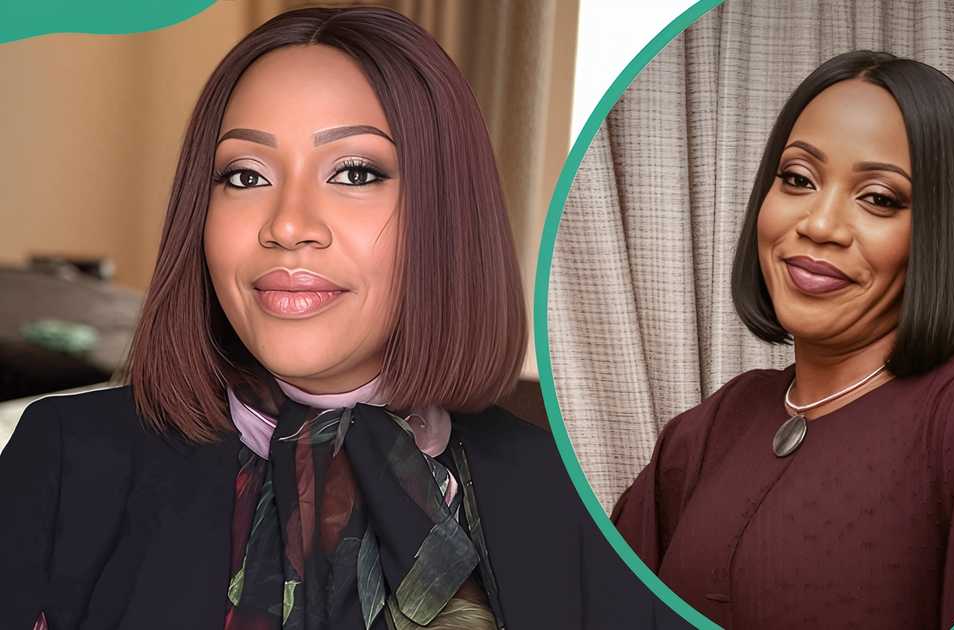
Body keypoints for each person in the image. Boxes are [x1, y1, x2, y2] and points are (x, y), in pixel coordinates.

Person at [0, 7, 687, 630]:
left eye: (355, 173)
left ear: (448, 215)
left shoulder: (561, 491)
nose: (289, 224)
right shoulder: (68, 458)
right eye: (245, 176)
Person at [611, 50, 954, 630]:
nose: (820, 225)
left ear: (940, 231)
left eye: (879, 198)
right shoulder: (714, 426)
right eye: (797, 179)